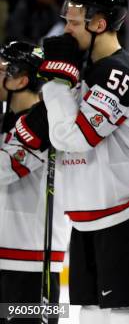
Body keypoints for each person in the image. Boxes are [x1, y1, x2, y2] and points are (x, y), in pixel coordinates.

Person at [31, 0, 129, 323]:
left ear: (98, 24)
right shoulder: (87, 71)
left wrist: (56, 85)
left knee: (124, 312)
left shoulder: (120, 73)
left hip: (124, 214)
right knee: (88, 310)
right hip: (90, 214)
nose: (65, 30)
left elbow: (74, 138)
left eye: (72, 22)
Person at [0, 41, 70, 324]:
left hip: (32, 262)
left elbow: (5, 168)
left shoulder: (42, 125)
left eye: (2, 69)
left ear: (21, 79)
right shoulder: (7, 121)